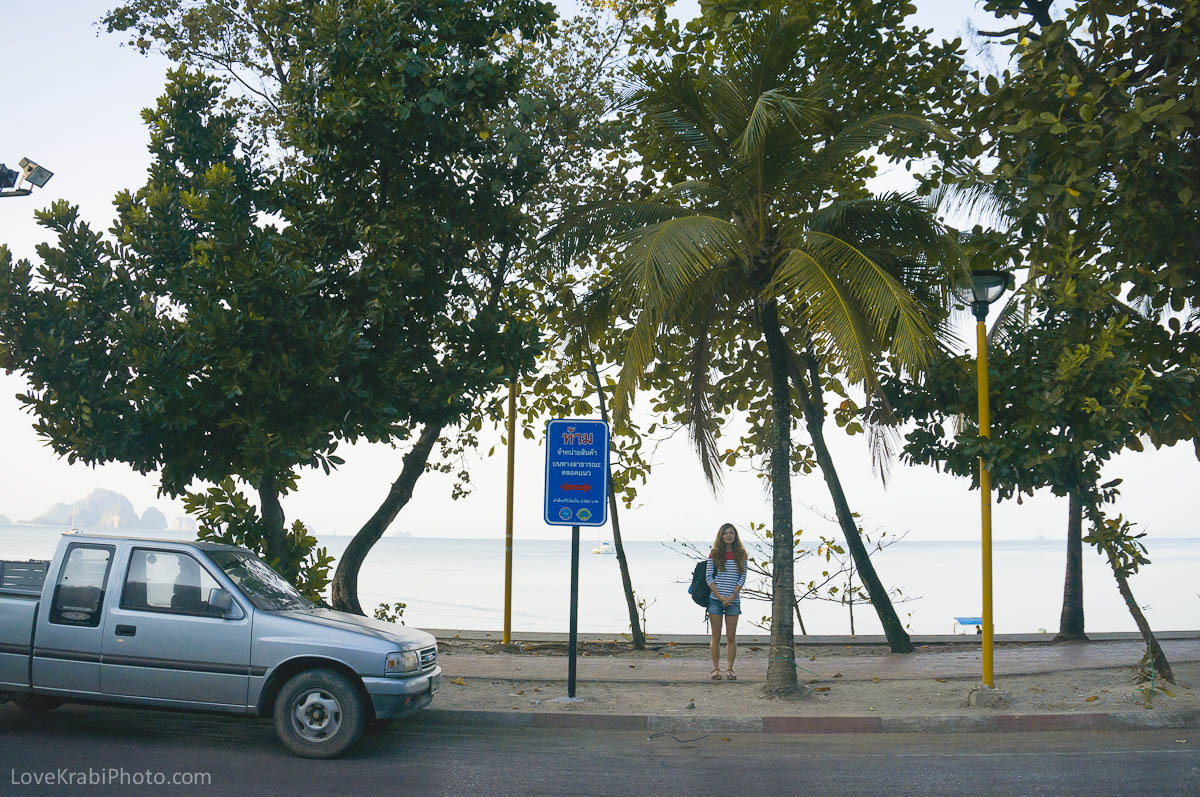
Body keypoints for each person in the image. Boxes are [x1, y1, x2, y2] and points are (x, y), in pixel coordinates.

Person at [706, 522, 747, 681]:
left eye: (731, 533)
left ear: (735, 536)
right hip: (715, 600)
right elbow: (709, 577)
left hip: (733, 601)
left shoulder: (741, 554)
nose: (728, 535)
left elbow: (742, 577)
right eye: (725, 533)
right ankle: (716, 669)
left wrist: (733, 595)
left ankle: (730, 669)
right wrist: (720, 597)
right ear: (721, 536)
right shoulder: (714, 554)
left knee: (731, 637)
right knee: (716, 636)